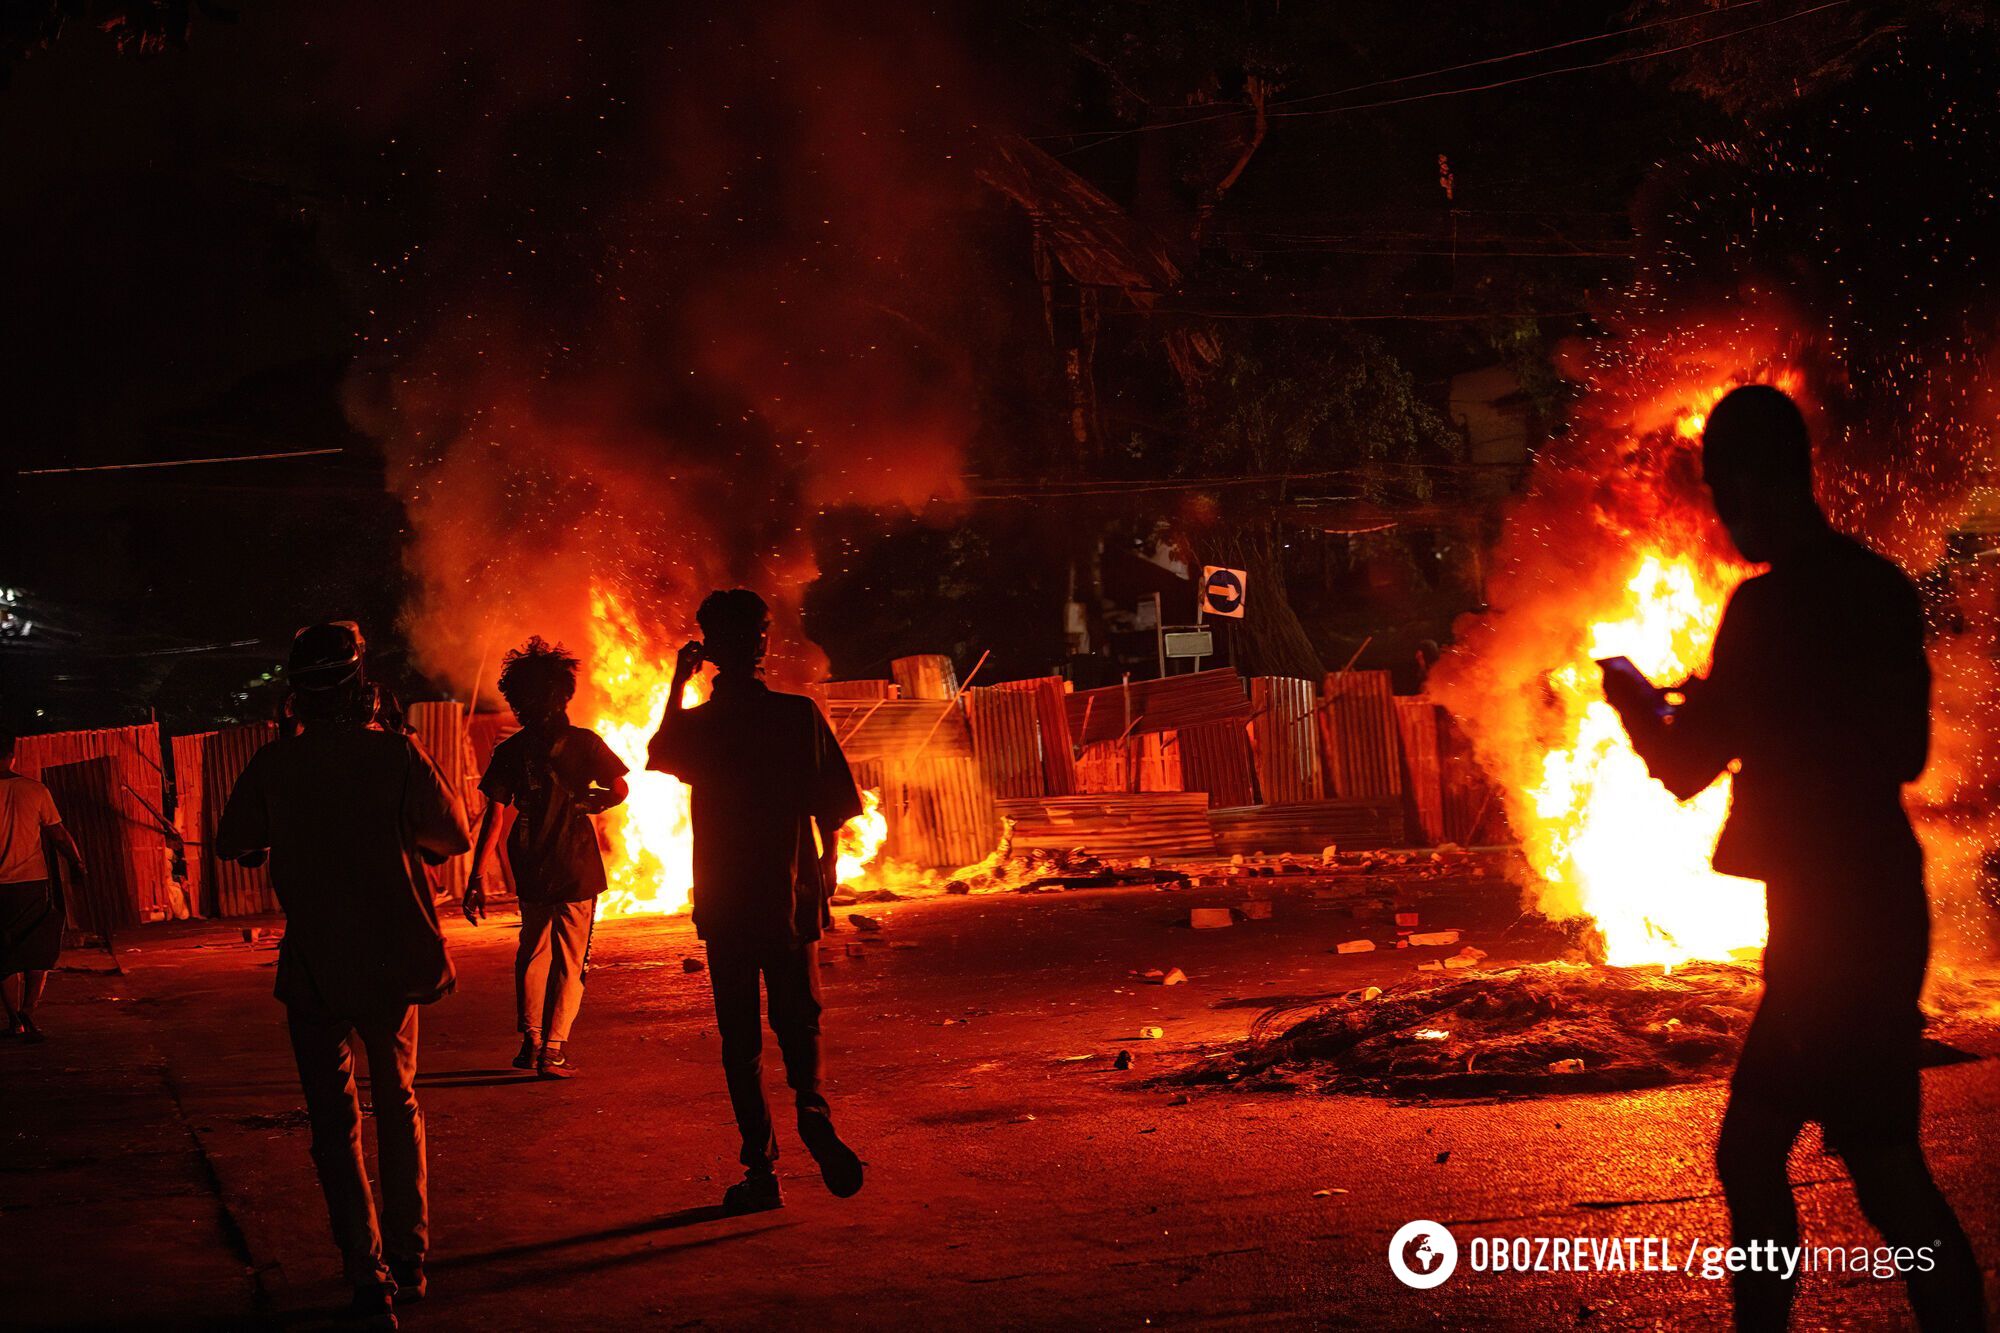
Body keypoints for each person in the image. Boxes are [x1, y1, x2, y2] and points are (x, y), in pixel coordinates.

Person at [1600, 385, 1984, 1332]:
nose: (1726, 517)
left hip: (1828, 930)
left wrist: (1633, 698)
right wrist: (1765, 711)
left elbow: (1688, 768)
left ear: (1764, 481)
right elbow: (1901, 752)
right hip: (1879, 912)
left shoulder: (1767, 608)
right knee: (1885, 1167)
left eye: (1727, 492)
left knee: (1769, 1154)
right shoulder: (1880, 587)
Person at [216, 623, 470, 1330]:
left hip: (315, 968)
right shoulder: (395, 753)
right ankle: (411, 1261)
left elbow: (233, 839)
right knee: (397, 1105)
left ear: (299, 694)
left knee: (333, 1124)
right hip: (390, 963)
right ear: (363, 684)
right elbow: (453, 836)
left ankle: (367, 1273)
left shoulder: (275, 765)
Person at [646, 588, 867, 1215]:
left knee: (739, 1039)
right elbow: (837, 810)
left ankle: (761, 1170)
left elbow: (659, 753)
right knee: (801, 1022)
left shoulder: (703, 726)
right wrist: (825, 866)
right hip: (790, 895)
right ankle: (814, 1113)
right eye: (762, 631)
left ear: (709, 649)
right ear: (761, 644)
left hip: (727, 897)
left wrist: (677, 680)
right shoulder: (797, 716)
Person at [462, 637, 628, 1078]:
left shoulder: (509, 752)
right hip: (575, 863)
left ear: (517, 701)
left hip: (530, 860)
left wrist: (476, 877)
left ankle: (530, 1039)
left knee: (532, 950)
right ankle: (553, 1049)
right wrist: (596, 803)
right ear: (564, 693)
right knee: (572, 958)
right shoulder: (586, 743)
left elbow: (493, 818)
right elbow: (620, 789)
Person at [0, 733, 86, 1043]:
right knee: (39, 949)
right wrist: (77, 864)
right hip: (32, 884)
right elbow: (59, 834)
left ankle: (13, 1020)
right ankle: (29, 1012)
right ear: (11, 756)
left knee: (3, 954)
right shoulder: (35, 791)